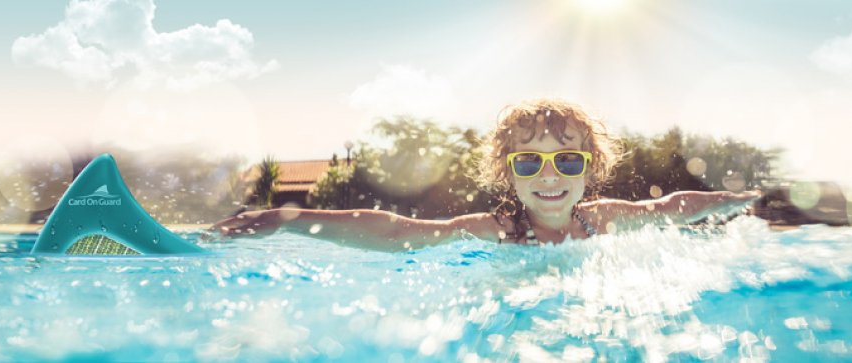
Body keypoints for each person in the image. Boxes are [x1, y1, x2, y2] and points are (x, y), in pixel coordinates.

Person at [209, 98, 761, 251]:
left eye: (567, 160)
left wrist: (737, 199)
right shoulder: (495, 229)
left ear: (590, 169)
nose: (550, 175)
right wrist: (285, 215)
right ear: (509, 174)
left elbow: (670, 208)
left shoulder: (603, 220)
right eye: (530, 161)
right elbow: (398, 231)